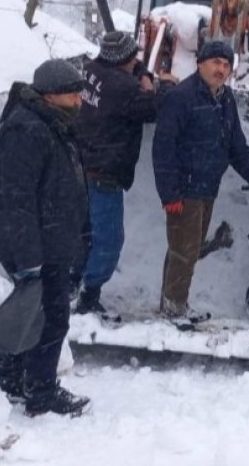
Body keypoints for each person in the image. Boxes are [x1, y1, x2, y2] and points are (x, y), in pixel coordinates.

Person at [0, 58, 91, 417]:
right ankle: (41, 391)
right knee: (50, 318)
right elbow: (16, 199)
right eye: (72, 95)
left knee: (31, 312)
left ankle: (11, 379)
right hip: (36, 244)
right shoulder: (27, 131)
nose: (79, 101)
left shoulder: (52, 125)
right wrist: (29, 257)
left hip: (50, 240)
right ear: (50, 95)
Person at [153, 40, 249, 324]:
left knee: (186, 249)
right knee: (184, 251)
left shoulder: (226, 99)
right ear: (200, 64)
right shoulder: (181, 97)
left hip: (208, 188)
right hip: (185, 190)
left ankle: (173, 304)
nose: (221, 69)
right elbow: (163, 148)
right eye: (215, 62)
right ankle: (173, 309)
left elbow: (237, 149)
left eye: (226, 64)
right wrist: (169, 194)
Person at [74, 31, 176, 318]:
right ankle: (88, 297)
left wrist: (142, 73)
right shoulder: (123, 89)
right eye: (134, 57)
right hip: (105, 172)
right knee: (108, 241)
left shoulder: (93, 69)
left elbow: (133, 73)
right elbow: (155, 107)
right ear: (124, 60)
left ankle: (72, 283)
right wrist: (164, 85)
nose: (137, 61)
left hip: (82, 164)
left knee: (84, 234)